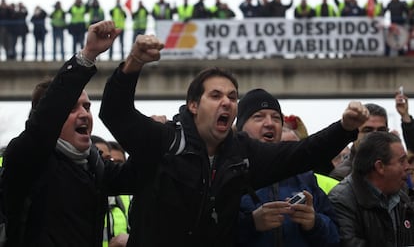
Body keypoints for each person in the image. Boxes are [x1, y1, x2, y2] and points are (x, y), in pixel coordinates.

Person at [99, 34, 369, 246]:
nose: (226, 102)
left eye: (232, 96)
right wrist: (134, 62)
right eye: (216, 96)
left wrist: (344, 128)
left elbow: (301, 153)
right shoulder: (166, 141)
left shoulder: (242, 154)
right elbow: (115, 113)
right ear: (193, 105)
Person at [1, 20, 138, 246]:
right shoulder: (27, 158)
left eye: (86, 107)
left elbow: (139, 174)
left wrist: (133, 66)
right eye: (71, 108)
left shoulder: (97, 167)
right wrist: (88, 54)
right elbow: (45, 120)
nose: (84, 114)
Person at [236, 89, 340, 247]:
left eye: (276, 118)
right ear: (241, 128)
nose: (270, 123)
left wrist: (314, 223)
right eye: (258, 117)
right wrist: (251, 224)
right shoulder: (226, 172)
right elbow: (207, 235)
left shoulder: (304, 176)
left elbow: (335, 239)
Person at [328, 132, 414, 246]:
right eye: (401, 161)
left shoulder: (402, 198)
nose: (408, 167)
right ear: (380, 167)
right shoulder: (342, 201)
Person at [329, 103, 389, 181]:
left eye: (381, 130)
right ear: (354, 133)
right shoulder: (341, 176)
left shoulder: (398, 170)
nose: (375, 135)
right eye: (368, 130)